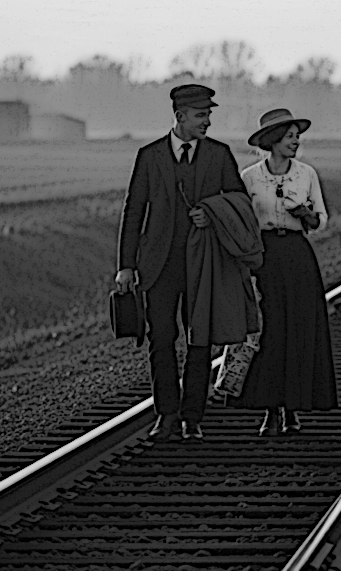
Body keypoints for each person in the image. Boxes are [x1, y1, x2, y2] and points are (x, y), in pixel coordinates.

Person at [115, 84, 248, 442]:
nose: (208, 122)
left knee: (199, 341)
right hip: (158, 267)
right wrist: (126, 265)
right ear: (180, 116)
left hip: (204, 265)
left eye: (208, 115)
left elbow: (239, 201)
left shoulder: (219, 155)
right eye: (201, 115)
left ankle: (193, 417)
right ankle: (166, 414)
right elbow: (133, 210)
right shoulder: (149, 156)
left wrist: (212, 214)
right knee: (161, 340)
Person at [229, 109, 338, 435]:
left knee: (300, 329)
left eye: (296, 137)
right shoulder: (250, 177)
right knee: (270, 330)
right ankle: (271, 409)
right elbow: (242, 220)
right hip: (265, 256)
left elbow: (321, 220)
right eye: (290, 137)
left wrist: (306, 214)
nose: (296, 142)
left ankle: (293, 407)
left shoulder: (306, 174)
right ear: (273, 141)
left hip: (297, 254)